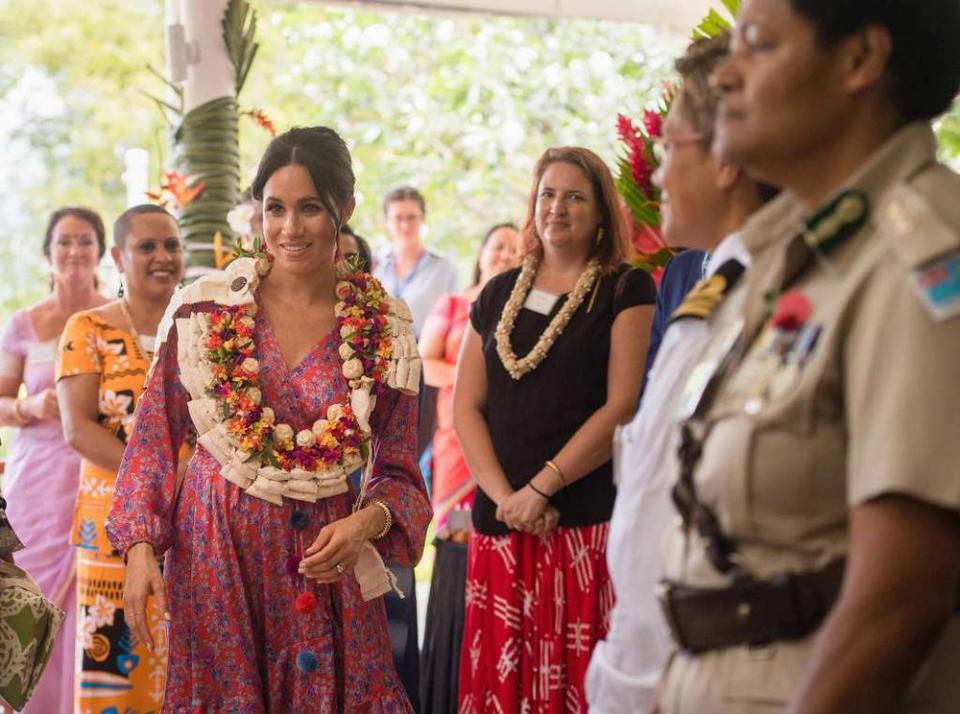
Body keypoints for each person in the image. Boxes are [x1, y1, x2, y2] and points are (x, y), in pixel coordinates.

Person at [655, 1, 960, 712]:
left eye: (757, 45)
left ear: (859, 61)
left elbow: (901, 599)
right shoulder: (786, 256)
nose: (725, 74)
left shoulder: (921, 257)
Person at [106, 126, 431, 711]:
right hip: (216, 560)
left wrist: (365, 524)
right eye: (274, 208)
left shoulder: (384, 328)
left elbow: (402, 471)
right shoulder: (204, 309)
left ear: (345, 209)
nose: (288, 227)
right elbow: (154, 439)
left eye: (309, 208)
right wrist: (138, 550)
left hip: (324, 564)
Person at [585, 33, 775, 712]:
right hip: (656, 668)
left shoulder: (765, 298)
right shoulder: (710, 290)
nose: (657, 175)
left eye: (669, 148)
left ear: (725, 162)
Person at [454, 146, 656, 712]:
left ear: (601, 213)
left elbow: (623, 404)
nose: (558, 208)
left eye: (575, 196)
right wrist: (507, 499)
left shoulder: (625, 289)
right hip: (503, 527)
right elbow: (465, 407)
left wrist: (542, 488)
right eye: (547, 194)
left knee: (577, 685)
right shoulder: (495, 293)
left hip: (579, 525)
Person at [56, 204, 184, 712]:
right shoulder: (87, 328)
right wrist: (158, 478)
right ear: (118, 256)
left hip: (191, 524)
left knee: (186, 663)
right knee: (114, 672)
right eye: (146, 246)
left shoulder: (202, 329)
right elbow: (77, 428)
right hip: (111, 525)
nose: (162, 257)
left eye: (171, 245)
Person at [0, 206, 109, 713]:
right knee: (35, 593)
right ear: (48, 251)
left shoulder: (114, 318)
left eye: (85, 241)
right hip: (38, 483)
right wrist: (27, 405)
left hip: (99, 475)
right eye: (64, 241)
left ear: (102, 251)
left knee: (95, 589)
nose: (74, 252)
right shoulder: (24, 324)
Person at [418, 222, 520, 713]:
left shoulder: (524, 311)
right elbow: (426, 360)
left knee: (499, 542)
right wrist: (471, 385)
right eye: (497, 245)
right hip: (458, 449)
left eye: (515, 249)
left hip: (508, 447)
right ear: (481, 253)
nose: (504, 254)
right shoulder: (456, 305)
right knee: (458, 544)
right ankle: (449, 673)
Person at [374, 185, 456, 709]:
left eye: (412, 216)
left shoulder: (443, 271)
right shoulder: (376, 268)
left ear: (422, 221)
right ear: (387, 222)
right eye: (398, 216)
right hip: (378, 383)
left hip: (425, 388)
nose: (405, 224)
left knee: (410, 491)